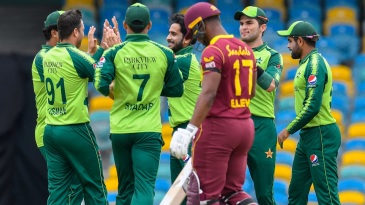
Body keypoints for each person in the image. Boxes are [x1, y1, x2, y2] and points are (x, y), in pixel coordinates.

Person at [93, 3, 184, 205]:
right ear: (149, 25)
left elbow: (100, 84)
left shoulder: (114, 52)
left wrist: (103, 59)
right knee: (144, 189)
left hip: (121, 129)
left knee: (125, 190)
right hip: (147, 130)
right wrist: (153, 88)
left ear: (125, 25)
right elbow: (177, 89)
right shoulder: (165, 53)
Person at [170, 2, 259, 205]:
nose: (196, 39)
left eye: (195, 32)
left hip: (218, 129)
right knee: (233, 193)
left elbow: (208, 94)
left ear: (201, 25)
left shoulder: (213, 51)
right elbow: (251, 91)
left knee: (204, 196)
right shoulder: (246, 48)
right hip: (245, 126)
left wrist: (189, 130)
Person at [42, 9, 118, 205]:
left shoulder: (47, 56)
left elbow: (79, 67)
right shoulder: (76, 56)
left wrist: (96, 52)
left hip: (51, 130)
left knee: (58, 191)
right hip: (75, 128)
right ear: (76, 32)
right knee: (94, 185)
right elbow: (100, 78)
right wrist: (109, 50)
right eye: (82, 29)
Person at [277, 21, 341, 205]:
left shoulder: (315, 64)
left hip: (321, 134)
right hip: (308, 135)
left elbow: (313, 105)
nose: (288, 45)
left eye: (290, 40)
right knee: (296, 192)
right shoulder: (306, 63)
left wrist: (288, 129)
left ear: (300, 41)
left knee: (326, 194)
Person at [31, 10, 86, 204]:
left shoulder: (55, 56)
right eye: (67, 29)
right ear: (55, 33)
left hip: (57, 128)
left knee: (74, 183)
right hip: (51, 129)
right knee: (72, 183)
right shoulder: (45, 58)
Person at [234, 6, 283, 204]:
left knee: (264, 193)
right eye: (241, 24)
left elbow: (271, 84)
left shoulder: (273, 55)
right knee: (224, 188)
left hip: (261, 126)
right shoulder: (231, 53)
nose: (243, 28)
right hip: (234, 122)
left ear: (262, 27)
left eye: (249, 23)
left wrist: (249, 61)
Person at [166, 13, 202, 205]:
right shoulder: (180, 58)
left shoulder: (183, 61)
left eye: (174, 34)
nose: (168, 37)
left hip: (189, 133)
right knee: (178, 193)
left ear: (187, 39)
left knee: (190, 194)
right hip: (179, 131)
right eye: (168, 32)